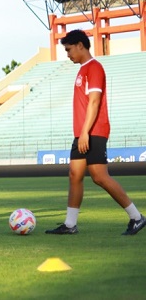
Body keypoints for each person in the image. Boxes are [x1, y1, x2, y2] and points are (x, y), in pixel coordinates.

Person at [45, 29, 146, 236]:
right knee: (75, 174)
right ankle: (70, 225)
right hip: (82, 132)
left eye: (69, 49)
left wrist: (84, 133)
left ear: (80, 45)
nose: (67, 54)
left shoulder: (95, 68)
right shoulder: (82, 69)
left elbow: (94, 101)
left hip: (93, 131)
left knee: (99, 177)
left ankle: (137, 217)